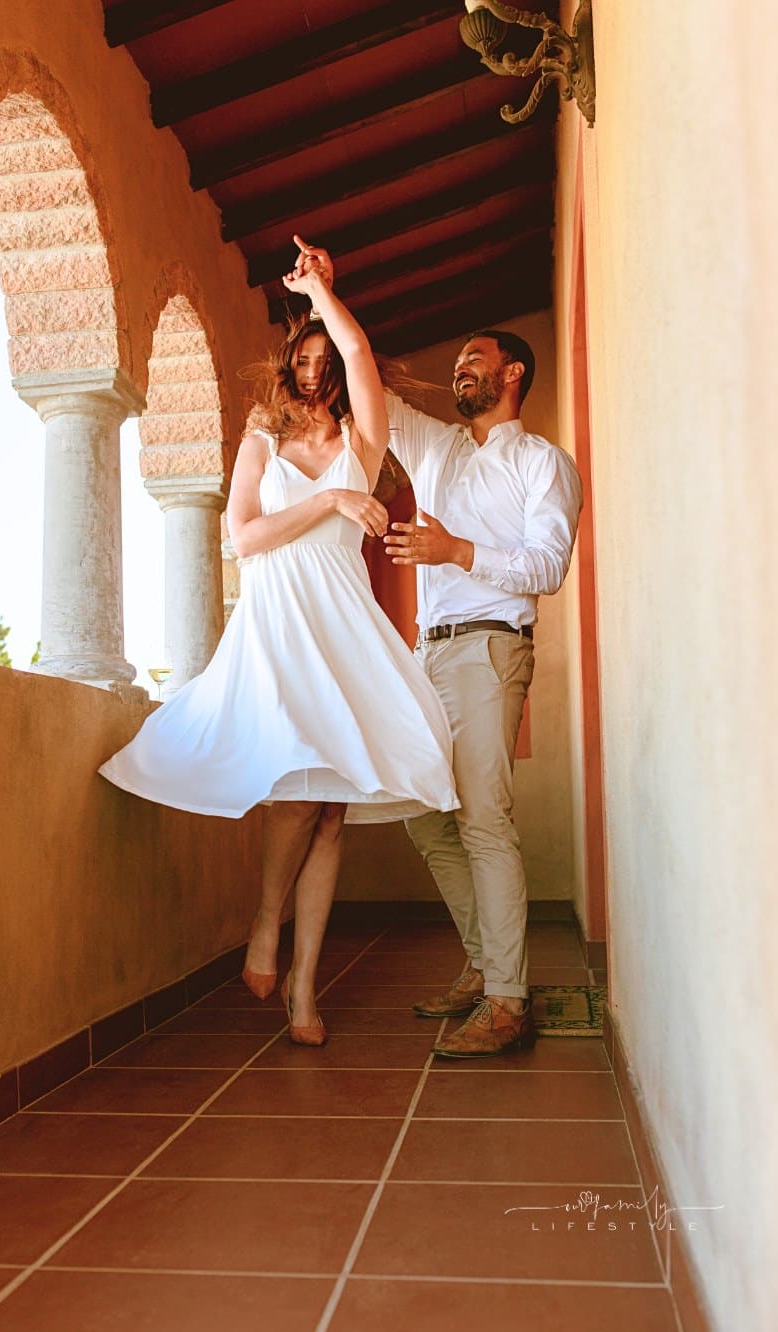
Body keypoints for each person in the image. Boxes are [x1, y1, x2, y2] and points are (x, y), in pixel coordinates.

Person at [99, 236, 458, 1047]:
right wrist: (331, 506)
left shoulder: (364, 444)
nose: (313, 367)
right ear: (286, 367)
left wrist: (327, 294)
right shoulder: (261, 436)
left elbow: (360, 349)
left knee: (330, 813)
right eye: (302, 355)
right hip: (278, 620)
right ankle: (267, 928)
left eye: (323, 358)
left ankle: (302, 988)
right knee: (298, 793)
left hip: (341, 621)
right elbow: (246, 538)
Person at [291, 241, 583, 1056]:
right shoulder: (439, 448)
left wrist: (459, 554)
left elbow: (550, 566)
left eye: (474, 360)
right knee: (423, 814)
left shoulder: (543, 464)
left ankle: (508, 1001)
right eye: (457, 361)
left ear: (513, 373)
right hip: (430, 654)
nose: (459, 369)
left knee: (484, 818)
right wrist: (322, 295)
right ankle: (486, 963)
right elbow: (365, 385)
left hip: (492, 651)